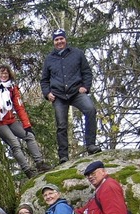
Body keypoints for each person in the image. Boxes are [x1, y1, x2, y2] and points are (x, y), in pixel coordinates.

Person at [0, 64, 51, 178]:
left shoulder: (12, 88)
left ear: (9, 75)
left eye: (6, 73)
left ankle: (40, 163)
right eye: (2, 73)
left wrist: (27, 125)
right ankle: (28, 170)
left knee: (29, 136)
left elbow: (19, 107)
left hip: (10, 120)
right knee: (15, 144)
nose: (4, 75)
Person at [40, 29, 100, 163]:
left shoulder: (77, 54)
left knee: (90, 110)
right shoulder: (49, 59)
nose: (59, 41)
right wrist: (47, 93)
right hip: (58, 96)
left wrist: (86, 87)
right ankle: (63, 156)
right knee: (61, 125)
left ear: (65, 39)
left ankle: (90, 145)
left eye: (61, 38)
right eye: (56, 39)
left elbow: (87, 72)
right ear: (53, 42)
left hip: (76, 92)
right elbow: (44, 80)